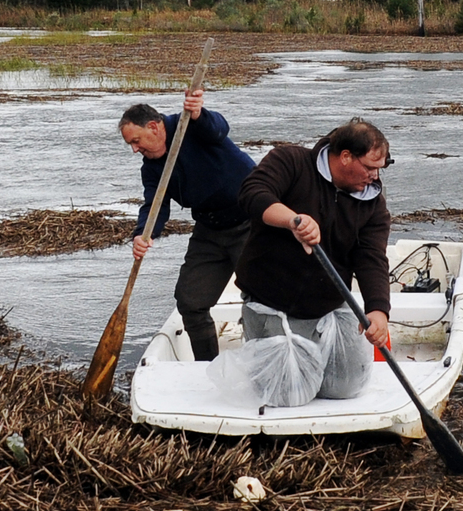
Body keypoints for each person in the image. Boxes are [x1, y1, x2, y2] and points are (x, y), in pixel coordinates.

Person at [226, 118, 395, 405]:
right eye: (369, 167)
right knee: (288, 396)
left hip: (327, 304)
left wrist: (378, 310)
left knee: (346, 388)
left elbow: (371, 258)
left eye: (380, 169)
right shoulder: (291, 161)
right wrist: (293, 220)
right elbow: (252, 194)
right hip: (271, 301)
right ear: (345, 157)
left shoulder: (372, 202)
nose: (374, 177)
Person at [120, 84, 257, 363]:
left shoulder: (191, 125)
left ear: (155, 127)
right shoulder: (151, 167)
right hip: (210, 230)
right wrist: (143, 234)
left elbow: (219, 128)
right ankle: (207, 367)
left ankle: (262, 362)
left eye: (136, 141)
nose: (135, 150)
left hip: (251, 221)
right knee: (190, 302)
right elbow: (155, 205)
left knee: (261, 298)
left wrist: (198, 113)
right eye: (131, 145)